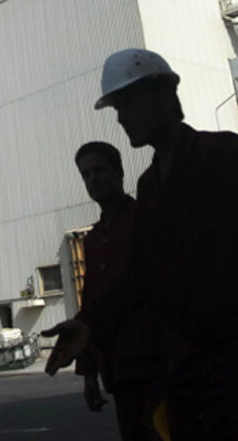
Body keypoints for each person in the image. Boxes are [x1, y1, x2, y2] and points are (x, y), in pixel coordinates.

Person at [44, 48, 238, 440]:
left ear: (164, 95)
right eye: (116, 108)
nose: (122, 117)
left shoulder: (224, 157)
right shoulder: (150, 187)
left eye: (127, 103)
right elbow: (144, 276)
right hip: (190, 378)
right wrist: (89, 324)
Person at [72, 140, 168, 441]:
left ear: (119, 172)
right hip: (119, 369)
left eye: (99, 170)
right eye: (86, 174)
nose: (93, 179)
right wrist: (88, 371)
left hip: (158, 365)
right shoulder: (93, 239)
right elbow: (90, 301)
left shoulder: (145, 219)